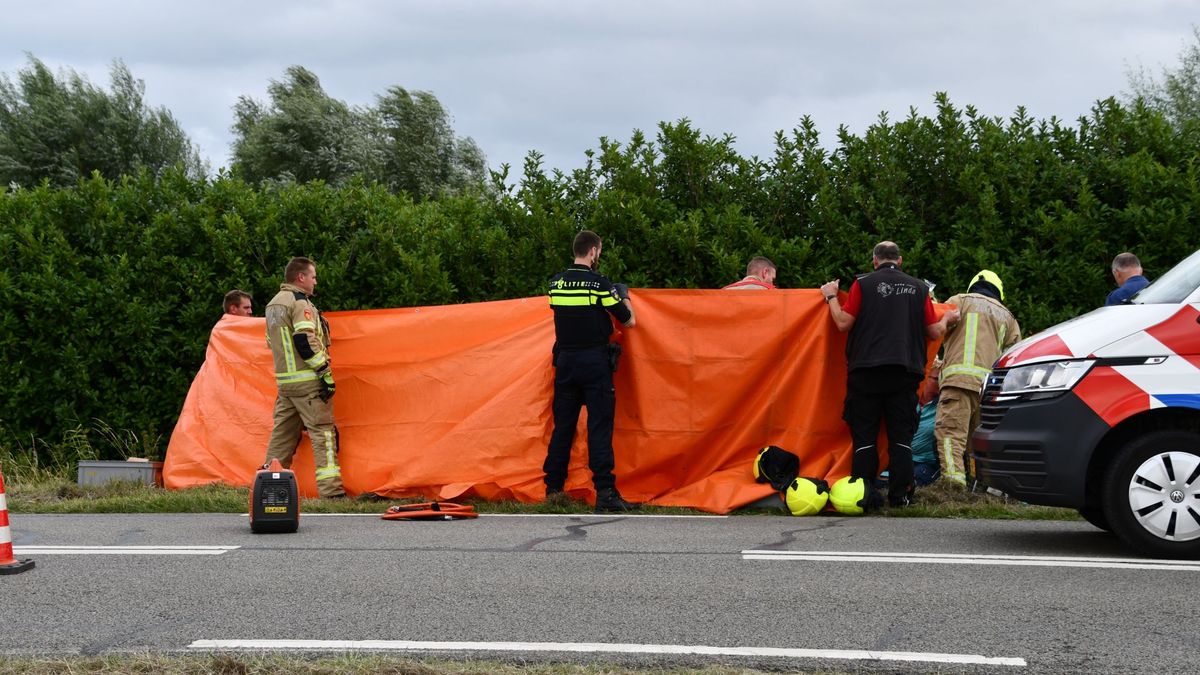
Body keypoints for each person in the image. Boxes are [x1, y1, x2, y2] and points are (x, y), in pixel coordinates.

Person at [819, 241, 957, 508]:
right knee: (901, 437)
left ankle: (863, 495)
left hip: (866, 371)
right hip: (904, 372)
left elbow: (842, 323)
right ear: (900, 260)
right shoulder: (919, 288)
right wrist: (948, 319)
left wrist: (831, 296)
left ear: (874, 261)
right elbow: (933, 332)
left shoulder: (863, 284)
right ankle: (900, 496)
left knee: (865, 435)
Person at [543, 230, 638, 513]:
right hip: (594, 364)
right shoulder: (598, 285)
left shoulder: (556, 284)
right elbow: (629, 321)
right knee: (599, 427)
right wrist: (623, 295)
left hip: (566, 364)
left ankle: (553, 489)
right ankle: (606, 493)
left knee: (564, 427)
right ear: (594, 251)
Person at [262, 257, 344, 498]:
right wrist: (324, 373)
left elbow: (271, 342)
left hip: (286, 384)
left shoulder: (273, 305)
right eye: (313, 276)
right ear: (301, 277)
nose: (315, 281)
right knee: (323, 434)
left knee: (281, 439)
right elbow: (304, 339)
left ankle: (269, 489)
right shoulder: (299, 302)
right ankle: (332, 494)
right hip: (308, 383)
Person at [934, 270, 1021, 487]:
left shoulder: (959, 301)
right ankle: (978, 484)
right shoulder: (1008, 317)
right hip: (988, 391)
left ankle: (953, 485)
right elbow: (1014, 357)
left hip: (958, 382)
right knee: (977, 442)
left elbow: (937, 329)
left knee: (951, 434)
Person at [910, 359, 943, 486]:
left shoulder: (944, 406)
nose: (940, 383)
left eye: (943, 379)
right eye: (936, 378)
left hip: (926, 462)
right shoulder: (910, 400)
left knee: (917, 478)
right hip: (900, 458)